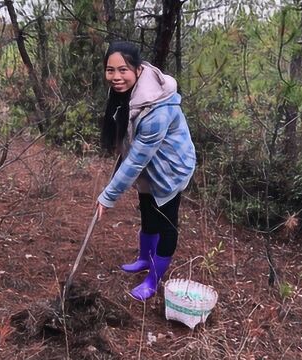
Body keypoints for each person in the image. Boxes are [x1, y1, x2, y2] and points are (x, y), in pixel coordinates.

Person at [96, 41, 196, 301]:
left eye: (123, 70)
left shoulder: (157, 108)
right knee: (147, 212)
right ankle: (143, 259)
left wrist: (108, 196)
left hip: (170, 169)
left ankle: (153, 279)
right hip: (149, 167)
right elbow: (128, 144)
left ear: (138, 70)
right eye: (110, 70)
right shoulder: (124, 93)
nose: (116, 77)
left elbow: (137, 158)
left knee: (166, 222)